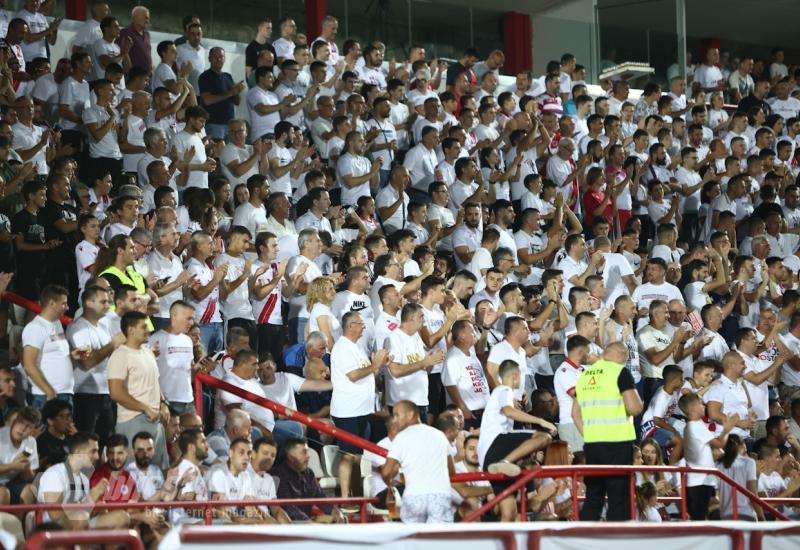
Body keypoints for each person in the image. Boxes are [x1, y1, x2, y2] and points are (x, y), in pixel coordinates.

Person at [477, 359, 556, 521]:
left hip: (487, 457)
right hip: (496, 446)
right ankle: (506, 462)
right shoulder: (504, 390)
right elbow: (507, 411)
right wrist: (541, 421)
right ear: (515, 376)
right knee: (543, 436)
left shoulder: (496, 394)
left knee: (510, 512)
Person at [573, 342, 643, 521]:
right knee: (618, 496)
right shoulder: (619, 372)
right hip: (618, 443)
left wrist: (590, 433)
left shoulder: (584, 375)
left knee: (593, 496)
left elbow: (574, 414)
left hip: (593, 444)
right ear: (622, 355)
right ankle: (618, 541)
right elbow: (634, 408)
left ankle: (586, 539)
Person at [330, 311, 390, 499]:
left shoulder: (355, 347)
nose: (363, 327)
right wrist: (375, 365)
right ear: (350, 326)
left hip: (360, 410)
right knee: (348, 455)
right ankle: (346, 498)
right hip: (348, 410)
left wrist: (380, 365)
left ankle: (354, 496)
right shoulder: (342, 348)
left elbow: (364, 372)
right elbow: (353, 375)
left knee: (356, 456)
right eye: (360, 323)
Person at [108, 311, 170, 471]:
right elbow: (115, 392)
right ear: (130, 330)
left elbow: (155, 383)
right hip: (132, 420)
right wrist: (145, 408)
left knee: (158, 473)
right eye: (144, 326)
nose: (148, 330)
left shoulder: (148, 352)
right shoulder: (120, 355)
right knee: (134, 475)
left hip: (155, 420)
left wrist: (163, 403)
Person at [66, 285, 125, 445]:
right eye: (103, 302)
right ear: (89, 303)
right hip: (86, 395)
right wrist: (112, 344)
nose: (108, 305)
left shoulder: (103, 327)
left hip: (105, 393)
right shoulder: (78, 328)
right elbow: (87, 361)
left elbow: (108, 357)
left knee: (105, 443)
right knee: (85, 443)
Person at [381, 400, 456, 523]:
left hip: (414, 496)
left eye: (396, 415)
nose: (394, 420)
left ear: (411, 414)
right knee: (441, 541)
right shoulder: (439, 435)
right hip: (440, 495)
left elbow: (385, 473)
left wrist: (389, 483)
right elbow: (452, 472)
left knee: (413, 540)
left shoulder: (401, 438)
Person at [37, 432, 129, 529]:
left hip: (82, 523)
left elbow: (85, 510)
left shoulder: (84, 478)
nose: (97, 457)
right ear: (78, 452)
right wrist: (91, 497)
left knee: (122, 517)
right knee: (81, 519)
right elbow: (55, 516)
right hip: (55, 529)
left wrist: (96, 507)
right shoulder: (55, 474)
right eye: (93, 451)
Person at [679, 392, 737, 520]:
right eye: (700, 403)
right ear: (694, 408)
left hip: (704, 480)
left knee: (711, 514)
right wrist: (726, 429)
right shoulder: (694, 426)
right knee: (699, 519)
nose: (704, 406)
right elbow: (720, 444)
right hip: (698, 482)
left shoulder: (696, 425)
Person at [272, 437, 345, 522]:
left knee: (341, 519)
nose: (308, 456)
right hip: (289, 524)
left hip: (307, 522)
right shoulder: (279, 474)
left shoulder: (309, 473)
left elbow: (320, 496)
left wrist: (334, 510)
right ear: (291, 457)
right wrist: (309, 523)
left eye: (307, 452)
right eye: (304, 452)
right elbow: (288, 507)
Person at [0, 406, 40, 506]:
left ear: (32, 430)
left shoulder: (31, 442)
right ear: (14, 422)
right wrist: (12, 466)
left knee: (30, 490)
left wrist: (26, 469)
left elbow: (30, 478)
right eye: (21, 423)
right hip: (3, 487)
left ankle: (18, 521)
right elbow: (14, 466)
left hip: (11, 482)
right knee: (3, 493)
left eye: (28, 426)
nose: (23, 429)